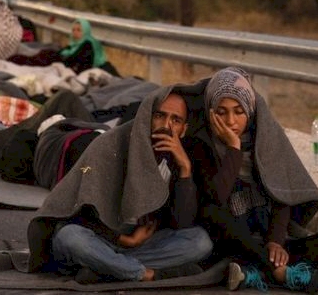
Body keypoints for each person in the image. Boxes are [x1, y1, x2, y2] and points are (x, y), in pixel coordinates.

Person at [188, 67, 318, 294]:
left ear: (251, 111)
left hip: (265, 240)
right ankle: (280, 273)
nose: (231, 121)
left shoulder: (265, 140)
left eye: (238, 111)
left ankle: (252, 271)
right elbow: (216, 198)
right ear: (210, 112)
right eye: (222, 112)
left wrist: (275, 241)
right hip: (228, 242)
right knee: (211, 212)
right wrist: (233, 150)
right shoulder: (200, 145)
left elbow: (282, 193)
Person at [26, 85, 213, 284]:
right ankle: (144, 274)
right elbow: (77, 214)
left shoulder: (179, 159)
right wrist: (123, 240)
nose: (166, 125)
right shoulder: (111, 144)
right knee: (70, 238)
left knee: (200, 241)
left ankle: (105, 269)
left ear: (183, 129)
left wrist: (185, 169)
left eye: (176, 120)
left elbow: (181, 222)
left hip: (139, 246)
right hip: (99, 237)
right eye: (159, 115)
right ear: (146, 117)